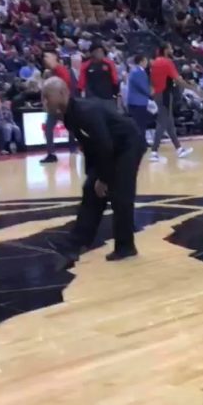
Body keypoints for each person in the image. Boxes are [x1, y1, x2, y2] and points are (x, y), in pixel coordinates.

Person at [40, 77, 145, 263]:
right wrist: (93, 176)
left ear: (63, 94)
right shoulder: (69, 116)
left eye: (47, 97)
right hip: (110, 148)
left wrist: (103, 178)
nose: (44, 102)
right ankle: (74, 245)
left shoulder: (85, 112)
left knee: (120, 194)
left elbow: (105, 145)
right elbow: (90, 147)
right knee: (91, 190)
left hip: (128, 144)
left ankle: (125, 246)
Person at [149, 43, 196, 162]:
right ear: (165, 50)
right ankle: (154, 151)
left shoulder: (154, 62)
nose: (172, 49)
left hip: (157, 94)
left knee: (169, 123)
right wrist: (192, 88)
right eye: (170, 48)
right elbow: (177, 79)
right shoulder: (167, 62)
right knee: (162, 122)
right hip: (165, 94)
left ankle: (179, 149)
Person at [40, 50, 74, 164]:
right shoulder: (50, 72)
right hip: (53, 106)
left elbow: (66, 85)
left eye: (47, 57)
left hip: (63, 105)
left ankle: (73, 150)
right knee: (49, 128)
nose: (45, 59)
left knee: (72, 127)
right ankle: (51, 154)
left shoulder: (60, 70)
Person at [78, 43, 119, 111]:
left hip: (107, 97)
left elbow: (115, 79)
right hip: (92, 98)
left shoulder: (109, 63)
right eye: (98, 51)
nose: (100, 53)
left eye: (101, 51)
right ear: (92, 53)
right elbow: (81, 83)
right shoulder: (85, 65)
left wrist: (115, 94)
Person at [125, 55, 152, 136]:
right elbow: (142, 87)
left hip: (136, 102)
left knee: (139, 124)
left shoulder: (135, 71)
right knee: (140, 124)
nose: (147, 63)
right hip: (138, 102)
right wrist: (151, 93)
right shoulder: (138, 72)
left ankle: (141, 141)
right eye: (145, 61)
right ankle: (141, 142)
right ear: (141, 62)